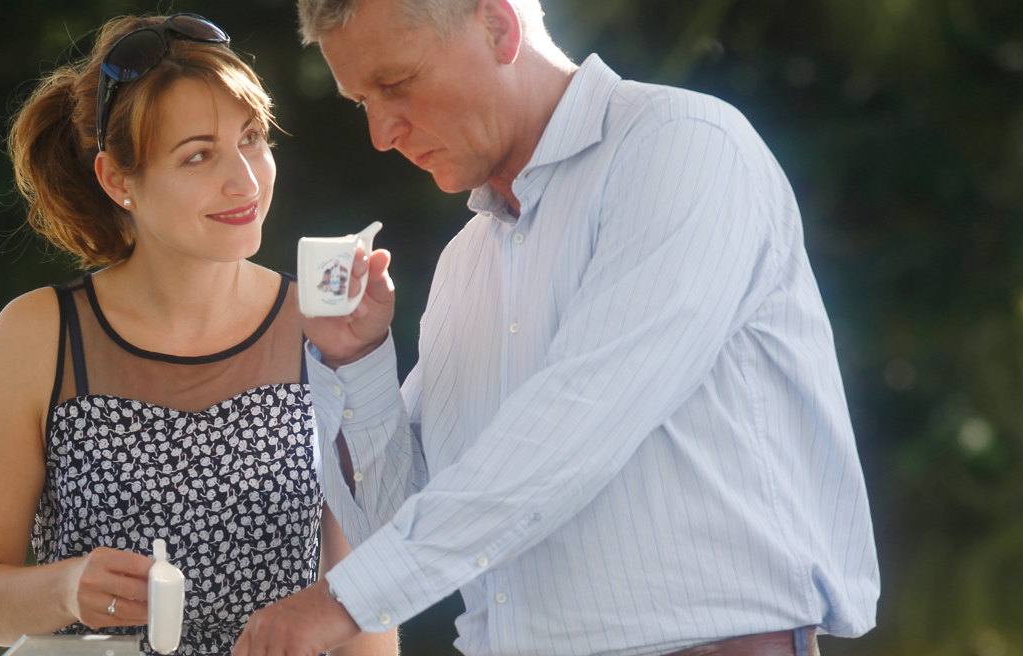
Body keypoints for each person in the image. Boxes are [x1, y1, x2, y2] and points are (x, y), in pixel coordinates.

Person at [232, 0, 881, 654]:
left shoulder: (684, 147)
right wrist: (356, 361)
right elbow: (403, 532)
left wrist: (347, 596)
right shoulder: (465, 262)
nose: (381, 132)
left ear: (499, 27)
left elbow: (576, 422)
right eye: (360, 101)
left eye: (397, 84)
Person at [0, 13, 398, 656]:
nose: (244, 179)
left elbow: (366, 598)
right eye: (198, 155)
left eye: (252, 138)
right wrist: (66, 587)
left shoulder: (323, 326)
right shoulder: (39, 335)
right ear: (117, 180)